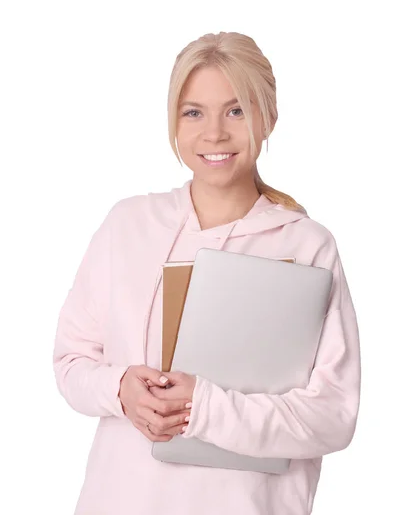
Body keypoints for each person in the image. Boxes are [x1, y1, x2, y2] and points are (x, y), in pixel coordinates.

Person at [53, 31, 361, 515]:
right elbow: (70, 363)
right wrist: (120, 390)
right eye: (193, 112)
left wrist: (206, 407)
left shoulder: (306, 245)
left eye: (236, 111)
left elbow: (333, 416)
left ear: (269, 118)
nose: (214, 133)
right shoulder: (127, 224)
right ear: (174, 121)